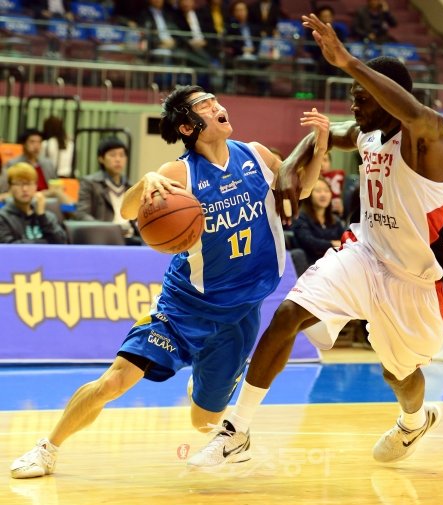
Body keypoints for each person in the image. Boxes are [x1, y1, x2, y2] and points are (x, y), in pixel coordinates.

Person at [10, 84, 329, 478]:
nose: (217, 106)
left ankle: (210, 398)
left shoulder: (257, 155)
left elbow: (303, 189)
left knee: (203, 422)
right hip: (184, 309)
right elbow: (127, 210)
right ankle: (47, 448)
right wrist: (147, 183)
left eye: (215, 100)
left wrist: (321, 144)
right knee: (116, 381)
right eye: (205, 105)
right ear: (187, 127)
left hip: (239, 315)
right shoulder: (178, 173)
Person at [188, 13, 443, 468]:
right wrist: (291, 164)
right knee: (289, 312)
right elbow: (329, 135)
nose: (353, 107)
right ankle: (236, 431)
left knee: (399, 373)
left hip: (419, 281)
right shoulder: (368, 134)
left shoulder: (430, 138)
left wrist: (348, 60)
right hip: (364, 251)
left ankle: (414, 421)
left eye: (361, 98)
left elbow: (415, 113)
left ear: (384, 97)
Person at [74, 137, 143, 245]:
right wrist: (109, 229)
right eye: (112, 155)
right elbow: (82, 214)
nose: (118, 159)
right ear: (101, 158)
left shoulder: (130, 186)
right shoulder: (89, 183)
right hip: (104, 239)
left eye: (122, 155)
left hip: (131, 238)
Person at [0, 162, 68, 244]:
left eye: (28, 183)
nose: (25, 189)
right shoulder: (3, 218)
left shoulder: (48, 216)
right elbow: (10, 248)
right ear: (10, 187)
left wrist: (42, 217)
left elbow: (62, 243)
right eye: (19, 184)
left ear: (36, 186)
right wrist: (45, 243)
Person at [292, 176, 345, 265]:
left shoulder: (335, 220)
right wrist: (332, 243)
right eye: (318, 191)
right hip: (310, 266)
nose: (323, 194)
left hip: (334, 264)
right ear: (308, 194)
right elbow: (308, 242)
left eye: (326, 191)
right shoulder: (300, 217)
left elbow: (346, 239)